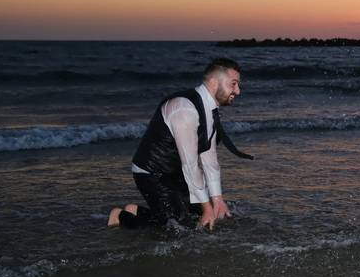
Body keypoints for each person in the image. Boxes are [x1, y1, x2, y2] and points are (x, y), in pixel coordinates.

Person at [107, 58, 253, 231]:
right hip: (151, 172)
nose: (238, 91)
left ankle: (137, 211)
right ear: (214, 83)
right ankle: (120, 216)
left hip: (175, 172)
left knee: (194, 218)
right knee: (176, 230)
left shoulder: (210, 110)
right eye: (233, 84)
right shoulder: (185, 110)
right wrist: (207, 208)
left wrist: (217, 199)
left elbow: (209, 157)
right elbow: (191, 164)